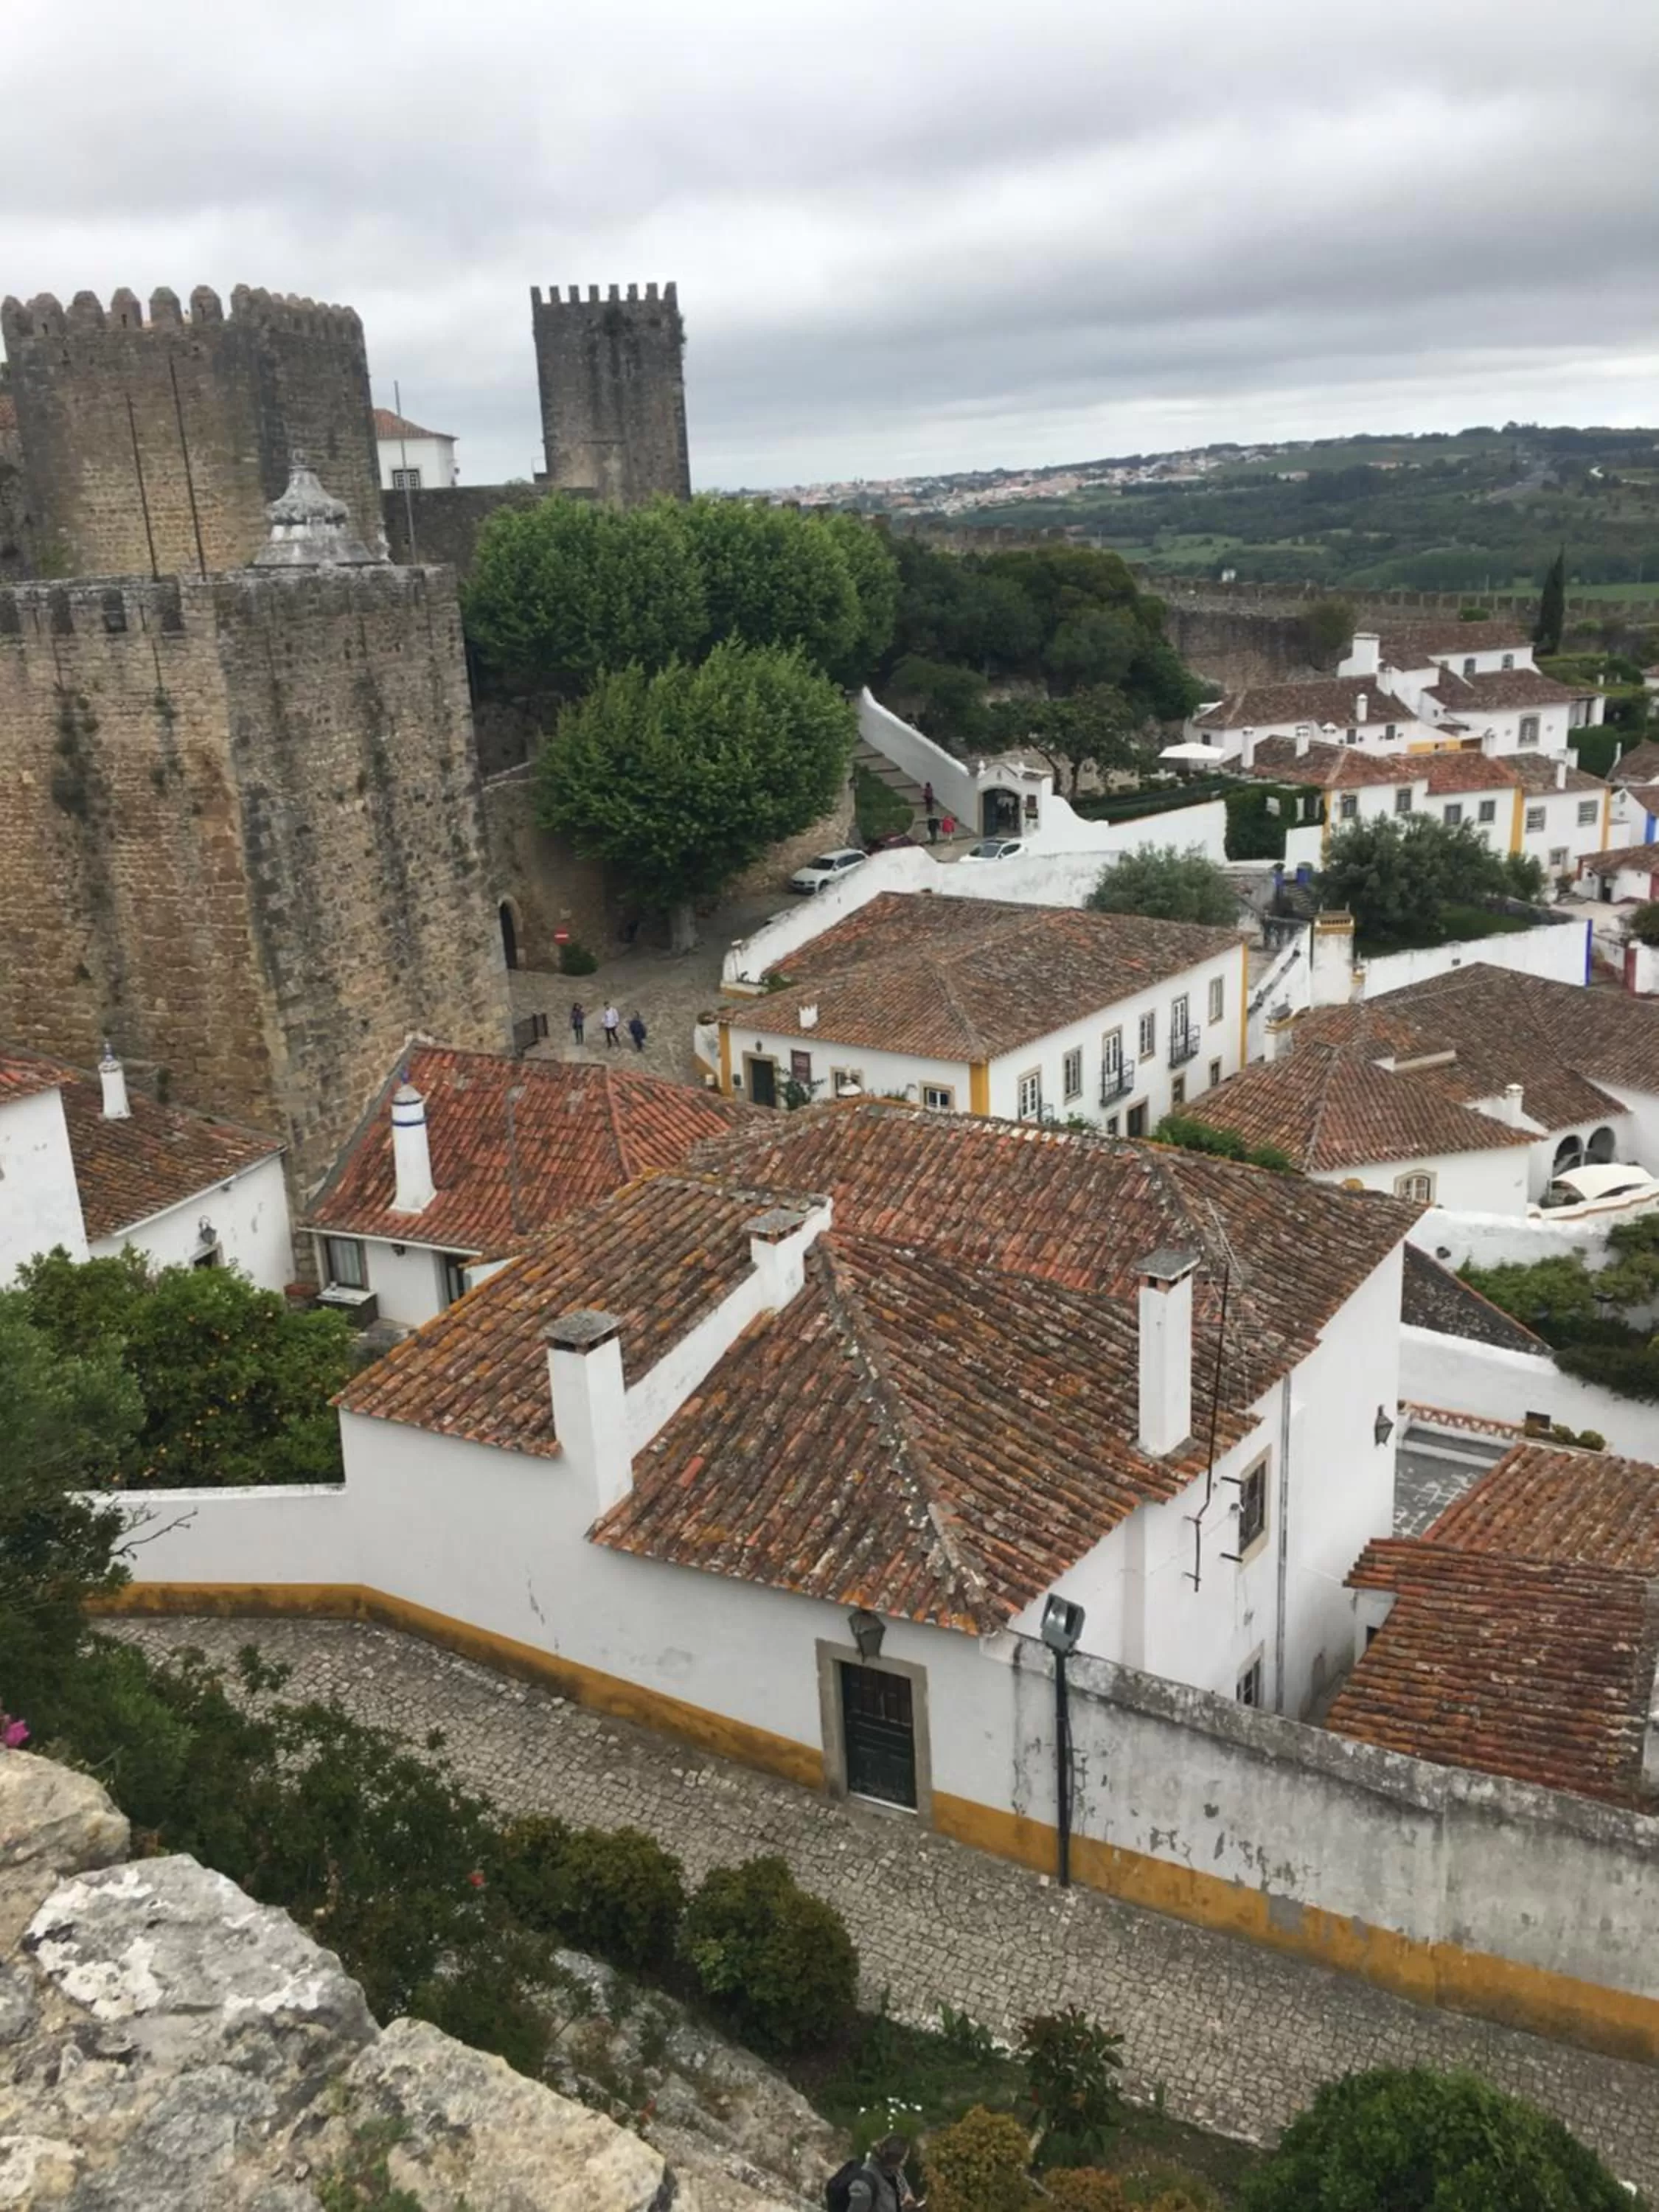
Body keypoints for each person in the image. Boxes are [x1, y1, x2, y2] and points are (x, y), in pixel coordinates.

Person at [846, 2135, 920, 2212]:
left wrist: (907, 2194)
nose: (904, 2163)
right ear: (898, 2160)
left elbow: (903, 2187)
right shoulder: (865, 2185)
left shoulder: (895, 2171)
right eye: (905, 2159)